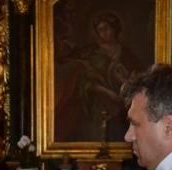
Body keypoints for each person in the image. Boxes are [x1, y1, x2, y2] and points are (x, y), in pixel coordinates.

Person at [55, 11, 144, 142]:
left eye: (106, 29)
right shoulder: (90, 53)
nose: (103, 33)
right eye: (100, 30)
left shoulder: (127, 54)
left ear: (114, 29)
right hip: (96, 106)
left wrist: (124, 80)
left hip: (121, 108)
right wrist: (107, 92)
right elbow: (82, 79)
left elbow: (137, 79)